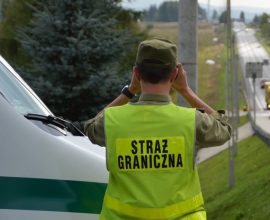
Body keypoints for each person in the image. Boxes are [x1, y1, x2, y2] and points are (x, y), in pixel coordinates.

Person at [84, 38, 231, 220]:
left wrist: (129, 91)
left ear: (136, 73)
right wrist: (186, 91)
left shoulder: (111, 120)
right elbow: (224, 129)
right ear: (174, 74)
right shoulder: (191, 120)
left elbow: (89, 127)